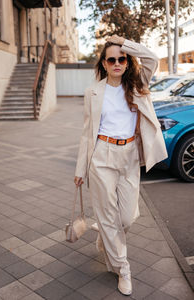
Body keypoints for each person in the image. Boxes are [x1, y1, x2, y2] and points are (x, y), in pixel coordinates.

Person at [74, 34, 167, 296]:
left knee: (126, 216)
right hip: (101, 156)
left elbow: (152, 58)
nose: (117, 62)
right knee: (107, 215)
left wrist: (122, 42)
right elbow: (86, 133)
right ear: (104, 64)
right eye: (111, 59)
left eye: (121, 58)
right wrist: (80, 170)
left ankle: (105, 235)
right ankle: (122, 267)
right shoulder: (93, 92)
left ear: (127, 62)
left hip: (128, 156)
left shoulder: (137, 85)